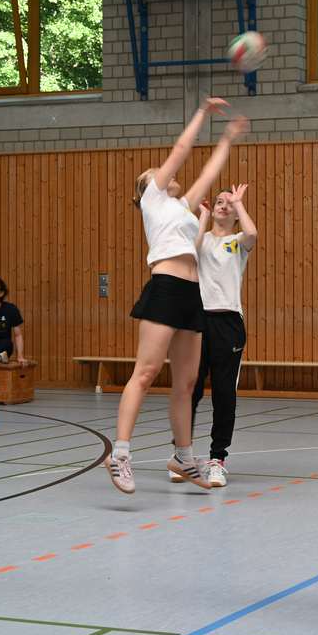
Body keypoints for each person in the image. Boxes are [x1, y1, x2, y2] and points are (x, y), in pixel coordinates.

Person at [105, 99, 248, 495]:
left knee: (185, 383)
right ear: (148, 184)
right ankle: (120, 453)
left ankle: (184, 458)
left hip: (192, 295)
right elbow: (181, 151)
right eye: (158, 172)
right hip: (166, 289)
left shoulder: (184, 210)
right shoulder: (153, 199)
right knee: (146, 372)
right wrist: (202, 113)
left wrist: (227, 138)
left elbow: (209, 172)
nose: (168, 172)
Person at [171, 184, 258, 488]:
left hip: (229, 323)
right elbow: (190, 250)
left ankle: (217, 460)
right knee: (189, 390)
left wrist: (240, 203)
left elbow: (253, 234)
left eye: (228, 204)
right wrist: (203, 215)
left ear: (235, 214)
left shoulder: (237, 242)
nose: (224, 205)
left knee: (224, 396)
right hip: (197, 321)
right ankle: (182, 457)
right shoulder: (203, 237)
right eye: (220, 201)